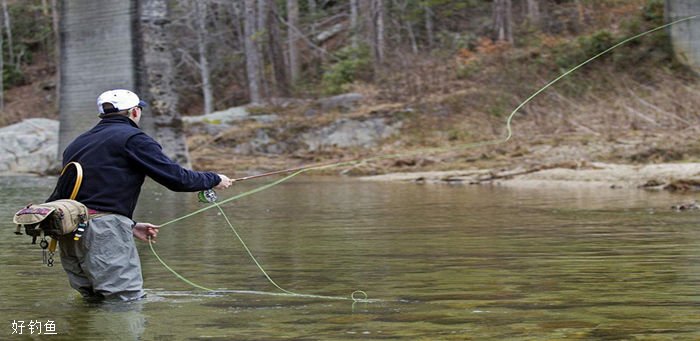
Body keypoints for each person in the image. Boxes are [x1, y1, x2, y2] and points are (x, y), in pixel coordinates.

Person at [55, 89, 233, 301]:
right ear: (135, 112)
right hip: (103, 232)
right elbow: (178, 179)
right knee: (124, 302)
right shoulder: (133, 138)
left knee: (93, 301)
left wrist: (130, 225)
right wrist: (214, 179)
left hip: (68, 231)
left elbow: (87, 195)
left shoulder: (77, 143)